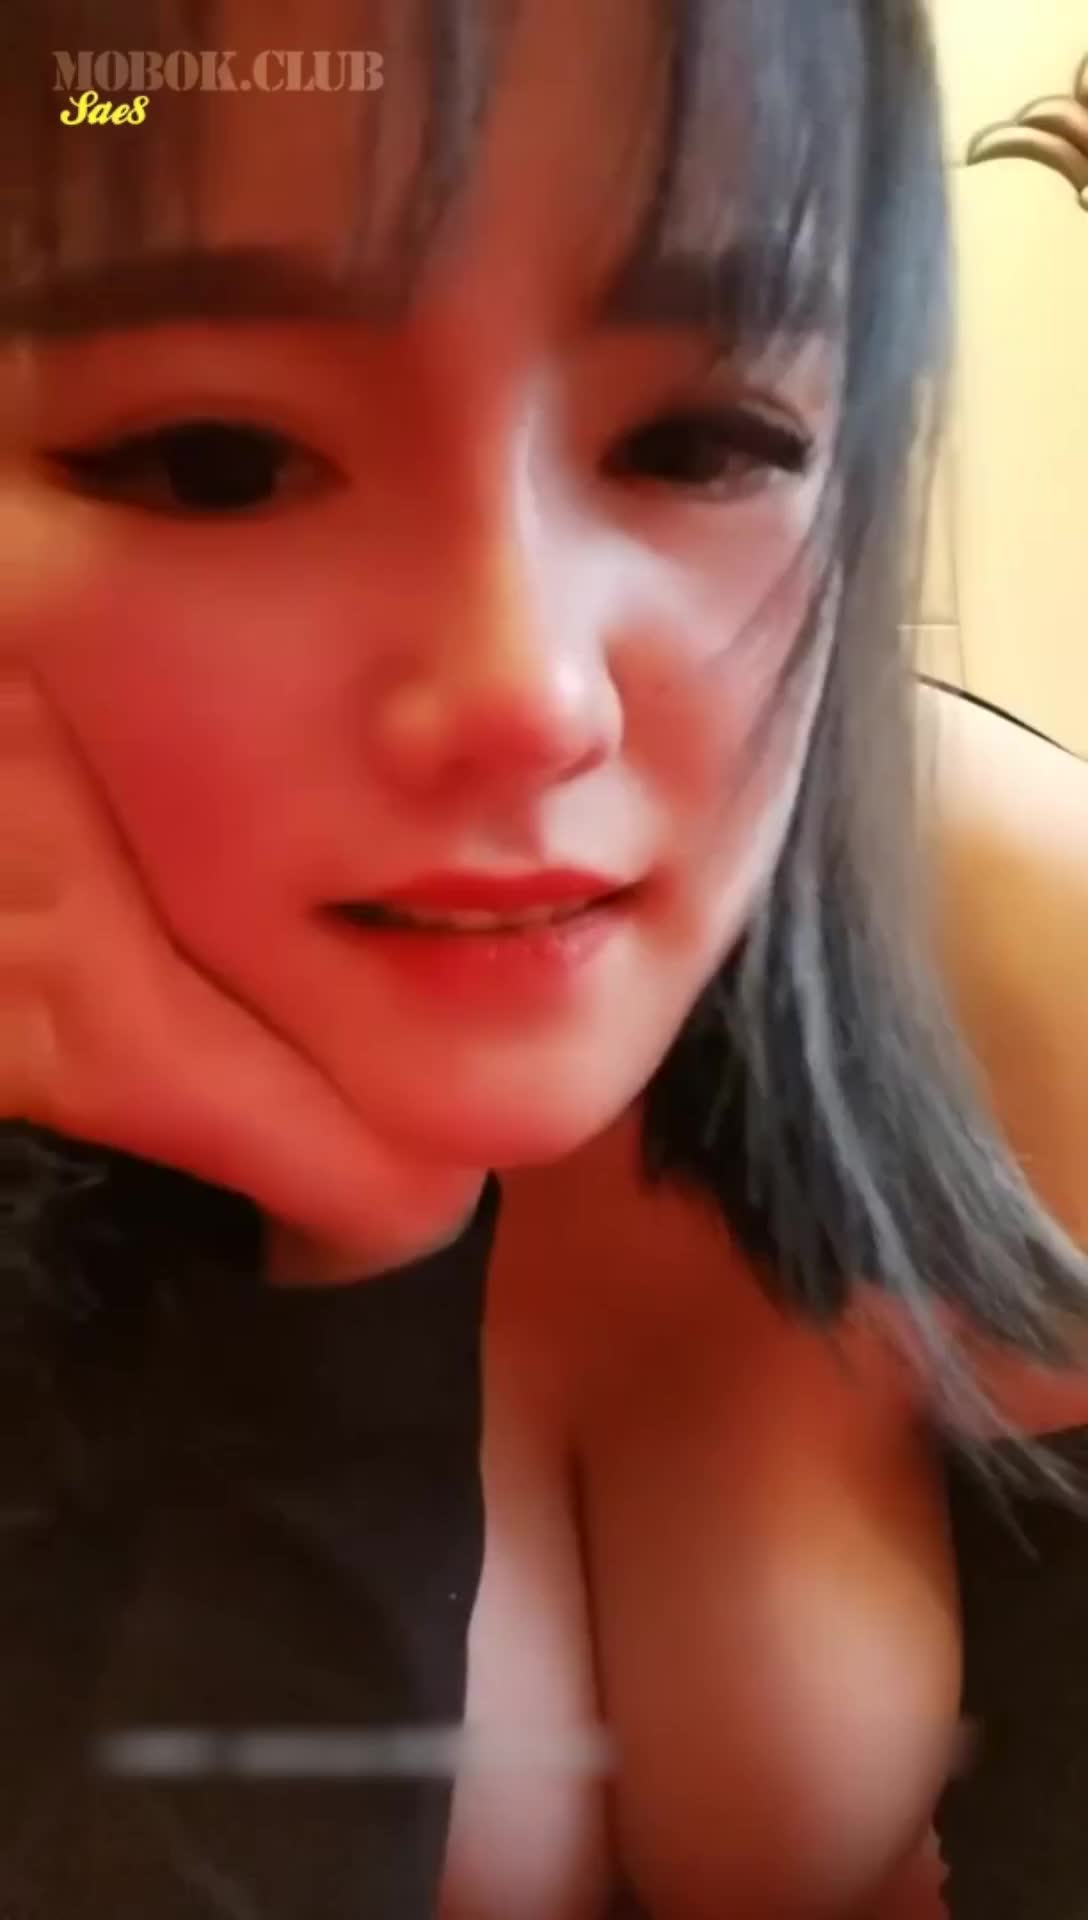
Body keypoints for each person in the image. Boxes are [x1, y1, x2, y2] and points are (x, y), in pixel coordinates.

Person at [4, 2, 1088, 1914]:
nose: (530, 693)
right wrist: (353, 1282)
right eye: (213, 461)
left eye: (701, 440)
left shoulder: (1027, 963)